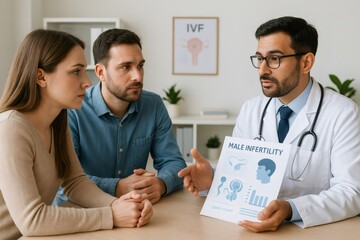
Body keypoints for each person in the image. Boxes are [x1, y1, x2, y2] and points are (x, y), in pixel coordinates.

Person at [178, 16, 360, 232]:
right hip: (250, 228)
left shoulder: (342, 113)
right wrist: (213, 179)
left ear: (306, 62)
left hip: (313, 232)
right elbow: (241, 175)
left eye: (274, 59)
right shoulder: (251, 110)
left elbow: (351, 190)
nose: (262, 70)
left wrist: (292, 209)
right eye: (259, 58)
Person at [0, 29, 152, 240]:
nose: (88, 82)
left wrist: (121, 205)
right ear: (41, 76)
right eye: (76, 71)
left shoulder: (57, 123)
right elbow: (31, 220)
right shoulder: (10, 129)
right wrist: (111, 215)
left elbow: (75, 182)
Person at [54, 28, 186, 206]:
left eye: (140, 66)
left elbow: (174, 162)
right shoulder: (73, 110)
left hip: (135, 209)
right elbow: (63, 180)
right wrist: (117, 187)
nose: (137, 76)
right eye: (126, 67)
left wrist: (160, 184)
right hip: (81, 210)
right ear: (101, 72)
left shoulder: (153, 105)